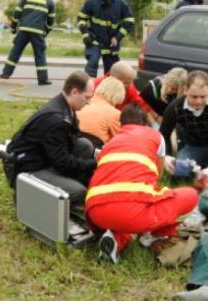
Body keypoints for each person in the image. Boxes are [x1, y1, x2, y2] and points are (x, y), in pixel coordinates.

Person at [85, 104, 199, 264]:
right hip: (131, 213)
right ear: (145, 123)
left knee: (121, 218)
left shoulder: (110, 143)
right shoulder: (155, 136)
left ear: (122, 124)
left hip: (95, 212)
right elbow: (156, 176)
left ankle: (115, 240)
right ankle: (151, 235)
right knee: (190, 195)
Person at [2, 71, 97, 203]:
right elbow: (63, 163)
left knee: (84, 145)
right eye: (87, 97)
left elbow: (72, 139)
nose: (89, 102)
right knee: (78, 192)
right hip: (28, 167)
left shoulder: (64, 105)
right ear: (75, 92)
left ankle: (61, 181)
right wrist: (95, 164)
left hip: (43, 156)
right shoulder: (56, 120)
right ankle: (26, 195)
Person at [77, 0, 135, 77]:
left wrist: (117, 37)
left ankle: (108, 92)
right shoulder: (91, 2)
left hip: (110, 44)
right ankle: (88, 91)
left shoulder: (121, 4)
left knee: (112, 73)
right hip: (94, 41)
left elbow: (129, 21)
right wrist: (85, 35)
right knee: (91, 66)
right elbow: (81, 19)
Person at [0, 0, 55, 85]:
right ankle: (43, 79)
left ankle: (6, 73)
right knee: (40, 55)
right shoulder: (49, 2)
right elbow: (50, 22)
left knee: (15, 51)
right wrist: (45, 33)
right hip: (38, 32)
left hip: (23, 30)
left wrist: (13, 28)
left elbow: (16, 14)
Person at [93, 61, 159, 125]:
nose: (130, 85)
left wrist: (155, 126)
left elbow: (143, 107)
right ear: (113, 78)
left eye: (131, 82)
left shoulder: (129, 88)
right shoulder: (94, 86)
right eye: (126, 83)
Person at [76, 76, 126, 147]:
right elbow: (120, 139)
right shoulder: (114, 113)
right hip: (94, 148)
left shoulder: (81, 103)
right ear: (117, 97)